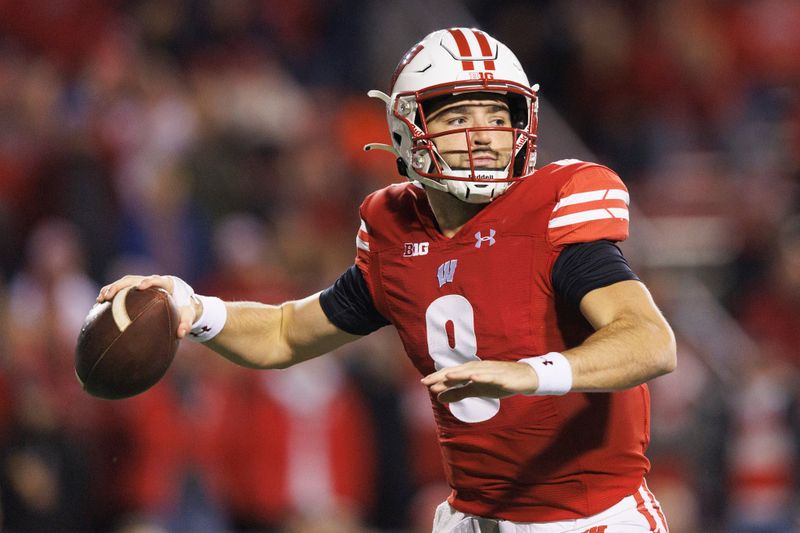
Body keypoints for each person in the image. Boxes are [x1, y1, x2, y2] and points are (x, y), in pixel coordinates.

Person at [97, 28, 676, 533]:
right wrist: (193, 309)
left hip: (591, 519)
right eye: (457, 116)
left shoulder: (553, 210)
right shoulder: (397, 232)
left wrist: (532, 373)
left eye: (499, 115)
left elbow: (650, 340)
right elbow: (285, 333)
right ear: (408, 130)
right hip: (473, 520)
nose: (483, 134)